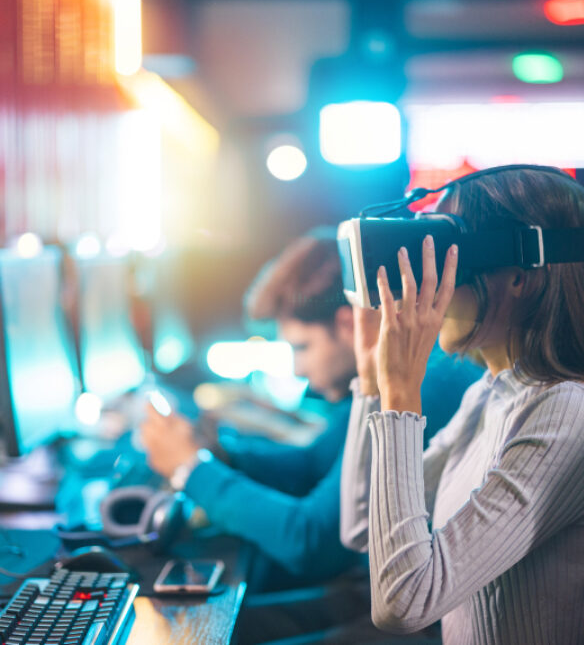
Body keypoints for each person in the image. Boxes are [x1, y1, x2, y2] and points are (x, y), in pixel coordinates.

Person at [340, 166, 584, 644]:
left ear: (519, 278)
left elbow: (404, 603)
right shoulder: (491, 393)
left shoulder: (573, 413)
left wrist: (402, 394)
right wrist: (371, 386)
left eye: (446, 260)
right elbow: (363, 527)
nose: (427, 287)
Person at [139, 228, 482, 591]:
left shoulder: (416, 386)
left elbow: (312, 543)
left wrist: (190, 470)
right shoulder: (406, 374)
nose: (297, 370)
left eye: (302, 347)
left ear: (349, 325)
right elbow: (315, 463)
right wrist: (224, 455)